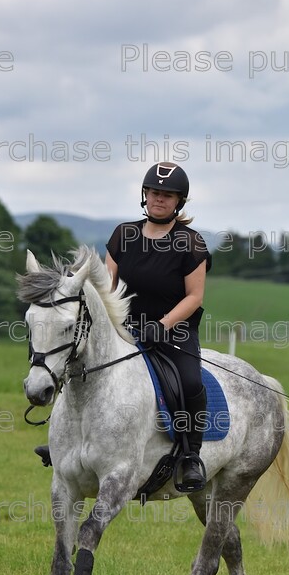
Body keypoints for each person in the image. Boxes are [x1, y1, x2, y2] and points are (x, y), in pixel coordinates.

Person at [105, 161, 212, 491]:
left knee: (191, 381)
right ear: (144, 195)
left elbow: (194, 296)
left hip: (174, 332)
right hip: (125, 331)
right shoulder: (124, 234)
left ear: (179, 201)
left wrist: (162, 325)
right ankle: (64, 440)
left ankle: (192, 456)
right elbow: (107, 286)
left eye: (167, 195)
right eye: (153, 192)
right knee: (80, 366)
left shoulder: (191, 243)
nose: (159, 199)